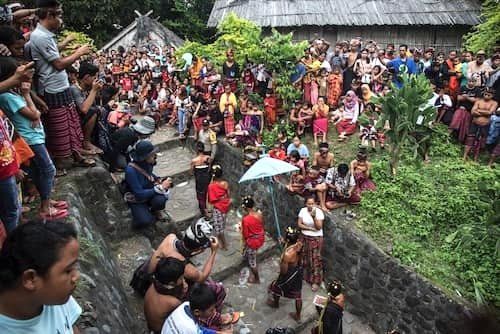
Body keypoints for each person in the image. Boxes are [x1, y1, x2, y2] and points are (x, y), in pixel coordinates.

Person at [29, 0, 94, 173]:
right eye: (59, 16)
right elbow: (58, 64)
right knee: (58, 126)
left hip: (60, 85)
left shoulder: (46, 35)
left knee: (70, 121)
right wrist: (78, 53)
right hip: (51, 88)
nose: (61, 20)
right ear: (50, 15)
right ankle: (59, 162)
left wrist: (67, 46)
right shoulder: (39, 37)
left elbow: (53, 55)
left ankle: (76, 155)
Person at [0, 56, 68, 221]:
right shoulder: (7, 97)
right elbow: (34, 114)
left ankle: (47, 199)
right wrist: (27, 95)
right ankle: (45, 207)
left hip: (34, 136)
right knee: (48, 169)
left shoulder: (12, 93)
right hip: (31, 138)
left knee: (40, 170)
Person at [147, 219, 232, 330]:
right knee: (215, 289)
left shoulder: (170, 238)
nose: (183, 281)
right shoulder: (185, 269)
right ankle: (212, 318)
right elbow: (202, 278)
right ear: (197, 251)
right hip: (163, 328)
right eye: (181, 278)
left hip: (155, 274)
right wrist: (213, 252)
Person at [0, 220, 82, 333]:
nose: (76, 276)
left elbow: (70, 325)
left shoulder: (52, 297)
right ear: (30, 279)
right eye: (68, 271)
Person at [124, 140, 172, 227]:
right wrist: (160, 188)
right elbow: (139, 194)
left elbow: (149, 174)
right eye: (152, 154)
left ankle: (153, 209)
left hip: (148, 191)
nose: (155, 156)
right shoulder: (130, 171)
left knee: (161, 201)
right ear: (145, 157)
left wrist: (159, 180)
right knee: (145, 221)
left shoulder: (148, 164)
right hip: (136, 198)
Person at [161, 283, 232, 334]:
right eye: (211, 310)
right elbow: (197, 330)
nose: (215, 311)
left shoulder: (185, 305)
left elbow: (199, 329)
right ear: (197, 312)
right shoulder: (190, 328)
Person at [267, 226, 304, 322]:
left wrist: (280, 274)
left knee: (275, 287)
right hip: (298, 271)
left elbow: (284, 271)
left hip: (290, 273)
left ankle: (275, 303)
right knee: (298, 295)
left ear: (288, 239)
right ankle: (298, 316)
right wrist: (284, 243)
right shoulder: (299, 244)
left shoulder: (287, 255)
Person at [144, 257, 188, 333]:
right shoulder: (173, 302)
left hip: (151, 323)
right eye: (181, 278)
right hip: (160, 330)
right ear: (172, 283)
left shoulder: (153, 285)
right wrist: (184, 293)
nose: (183, 279)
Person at [70, 61, 104, 155]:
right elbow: (84, 109)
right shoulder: (74, 89)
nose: (96, 80)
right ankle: (86, 142)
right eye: (94, 77)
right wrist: (93, 90)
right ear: (86, 78)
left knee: (98, 110)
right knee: (93, 112)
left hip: (79, 119)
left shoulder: (85, 89)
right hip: (73, 123)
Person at [297, 197, 324, 292]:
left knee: (315, 259)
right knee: (304, 257)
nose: (310, 206)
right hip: (304, 236)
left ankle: (316, 281)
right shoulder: (303, 211)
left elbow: (319, 227)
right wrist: (309, 228)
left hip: (315, 238)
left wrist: (313, 217)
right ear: (306, 204)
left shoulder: (319, 212)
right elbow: (299, 224)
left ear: (315, 204)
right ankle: (305, 276)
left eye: (312, 204)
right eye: (308, 204)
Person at [464, 88, 498, 161]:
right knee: (470, 139)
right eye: (485, 94)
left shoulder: (494, 103)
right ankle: (464, 156)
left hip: (485, 124)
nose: (486, 96)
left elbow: (490, 112)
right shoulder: (478, 101)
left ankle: (475, 158)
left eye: (488, 95)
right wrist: (485, 112)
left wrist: (478, 111)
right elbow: (472, 111)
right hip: (475, 122)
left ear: (492, 95)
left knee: (480, 142)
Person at [0, 114, 20, 233]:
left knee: (12, 210)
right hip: (4, 173)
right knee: (11, 212)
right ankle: (13, 245)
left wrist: (15, 166)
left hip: (8, 169)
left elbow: (7, 140)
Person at [240, 195, 265, 284]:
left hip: (252, 242)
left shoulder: (245, 220)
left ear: (245, 208)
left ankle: (256, 278)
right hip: (260, 238)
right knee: (251, 253)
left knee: (252, 263)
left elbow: (246, 235)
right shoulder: (259, 214)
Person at [207, 165, 231, 250]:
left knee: (218, 229)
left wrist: (209, 211)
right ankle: (223, 243)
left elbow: (210, 200)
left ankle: (224, 244)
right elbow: (228, 195)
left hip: (217, 208)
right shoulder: (225, 184)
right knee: (221, 226)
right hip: (225, 206)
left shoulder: (211, 186)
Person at [191, 141, 211, 218]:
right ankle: (206, 209)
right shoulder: (207, 158)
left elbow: (191, 171)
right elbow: (209, 169)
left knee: (200, 195)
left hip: (199, 179)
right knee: (206, 193)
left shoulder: (194, 161)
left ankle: (204, 210)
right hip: (206, 178)